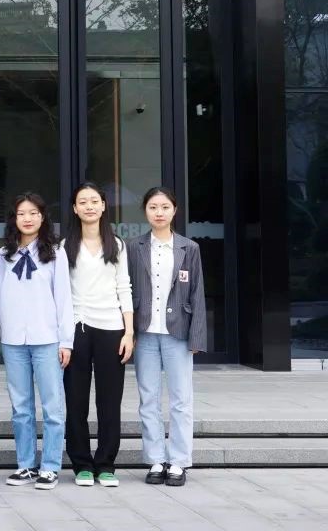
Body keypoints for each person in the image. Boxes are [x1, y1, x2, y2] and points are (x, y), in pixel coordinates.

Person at [0, 191, 73, 491]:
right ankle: (25, 464)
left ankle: (50, 466)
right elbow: (0, 298)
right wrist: (3, 332)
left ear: (42, 217)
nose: (27, 219)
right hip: (14, 340)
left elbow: (64, 299)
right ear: (14, 219)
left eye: (33, 213)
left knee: (53, 406)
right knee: (21, 407)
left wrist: (66, 341)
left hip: (47, 339)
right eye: (21, 214)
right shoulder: (3, 255)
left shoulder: (55, 253)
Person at [130, 186, 206, 487]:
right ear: (145, 211)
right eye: (153, 207)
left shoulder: (189, 248)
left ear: (174, 211)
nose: (159, 213)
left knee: (181, 399)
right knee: (148, 398)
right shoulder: (133, 247)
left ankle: (178, 461)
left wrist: (197, 337)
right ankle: (155, 459)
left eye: (164, 207)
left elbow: (198, 294)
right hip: (145, 333)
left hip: (178, 333)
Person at [61, 182, 133, 489]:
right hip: (76, 329)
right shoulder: (64, 246)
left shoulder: (116, 244)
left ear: (103, 206)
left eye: (94, 201)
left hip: (111, 328)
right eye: (83, 202)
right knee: (75, 400)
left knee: (109, 401)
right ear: (75, 209)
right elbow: (60, 293)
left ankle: (105, 464)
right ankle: (81, 464)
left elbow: (124, 288)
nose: (89, 206)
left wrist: (129, 332)